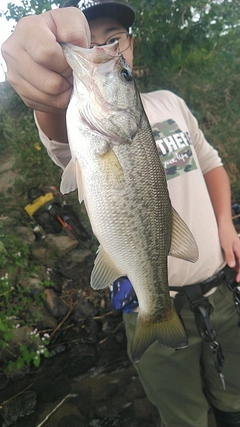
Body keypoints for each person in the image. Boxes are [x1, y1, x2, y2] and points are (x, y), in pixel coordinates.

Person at [2, 2, 240, 426]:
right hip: (149, 299)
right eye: (90, 44)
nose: (105, 52)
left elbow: (211, 164)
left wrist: (226, 225)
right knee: (186, 417)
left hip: (220, 291)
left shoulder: (170, 103)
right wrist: (42, 80)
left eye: (113, 40)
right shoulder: (79, 122)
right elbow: (56, 128)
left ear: (131, 44)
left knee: (234, 399)